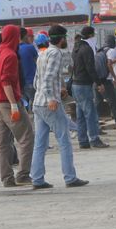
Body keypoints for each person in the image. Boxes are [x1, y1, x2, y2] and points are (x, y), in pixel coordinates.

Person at [31, 25, 89, 189]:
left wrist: (53, 92)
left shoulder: (42, 53)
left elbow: (37, 81)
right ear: (62, 39)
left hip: (38, 102)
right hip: (49, 104)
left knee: (40, 143)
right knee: (64, 141)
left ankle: (37, 178)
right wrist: (51, 97)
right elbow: (49, 78)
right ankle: (70, 177)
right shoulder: (56, 53)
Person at [0, 25, 34, 188]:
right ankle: (23, 174)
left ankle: (6, 177)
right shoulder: (10, 55)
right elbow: (6, 81)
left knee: (3, 142)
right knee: (27, 137)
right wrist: (14, 104)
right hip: (9, 102)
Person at [71, 26, 108, 150]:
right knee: (90, 114)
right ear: (91, 36)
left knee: (80, 115)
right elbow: (90, 68)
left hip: (76, 85)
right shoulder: (87, 49)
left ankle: (83, 141)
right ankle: (94, 139)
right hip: (84, 85)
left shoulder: (76, 48)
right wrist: (99, 83)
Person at [94, 35, 116, 133]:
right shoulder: (111, 51)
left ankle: (95, 128)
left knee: (97, 105)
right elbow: (109, 64)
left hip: (96, 81)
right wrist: (115, 78)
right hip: (105, 82)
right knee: (114, 104)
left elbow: (109, 62)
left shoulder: (99, 51)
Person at [18, 28, 39, 107]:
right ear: (25, 36)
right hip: (31, 81)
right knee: (36, 105)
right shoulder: (30, 47)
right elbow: (38, 62)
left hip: (20, 83)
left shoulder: (14, 49)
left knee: (24, 105)